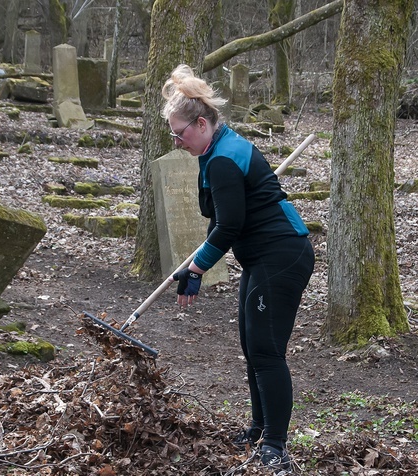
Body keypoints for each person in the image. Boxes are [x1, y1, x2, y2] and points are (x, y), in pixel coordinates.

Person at [162, 64, 314, 474]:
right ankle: (259, 429)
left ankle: (276, 448)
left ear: (201, 123)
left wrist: (197, 269)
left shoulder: (224, 158)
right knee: (253, 347)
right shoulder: (216, 149)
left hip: (281, 255)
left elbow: (229, 226)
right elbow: (222, 218)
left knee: (266, 350)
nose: (177, 141)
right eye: (172, 135)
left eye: (180, 133)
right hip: (262, 256)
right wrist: (194, 265)